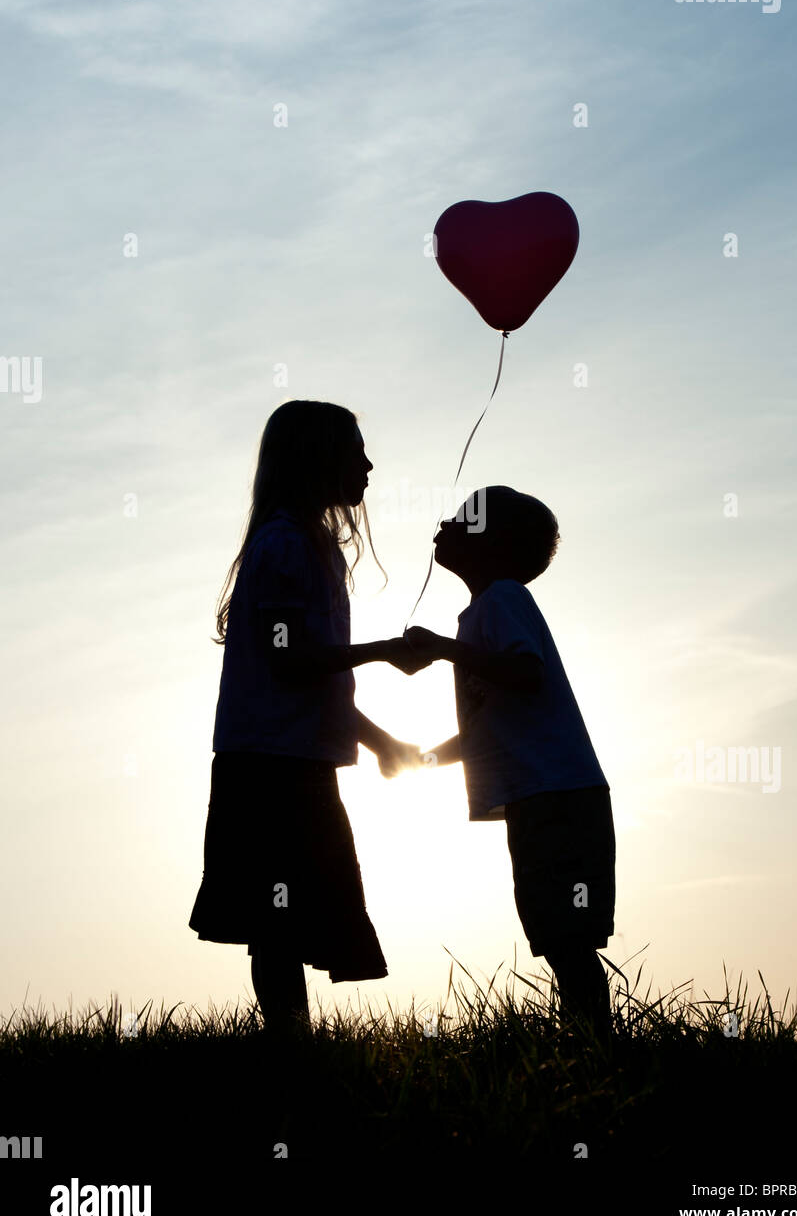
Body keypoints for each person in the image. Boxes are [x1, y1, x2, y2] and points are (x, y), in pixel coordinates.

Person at [188, 400, 431, 1033]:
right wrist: (382, 653)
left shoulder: (307, 545)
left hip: (290, 758)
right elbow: (292, 659)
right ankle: (290, 1045)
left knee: (286, 915)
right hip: (271, 764)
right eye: (355, 450)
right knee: (277, 920)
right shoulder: (286, 545)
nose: (369, 464)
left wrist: (378, 742)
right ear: (315, 459)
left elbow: (309, 682)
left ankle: (290, 1044)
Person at [406, 486, 616, 1044]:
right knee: (555, 932)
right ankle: (589, 1045)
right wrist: (419, 758)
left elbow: (525, 674)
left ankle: (596, 1048)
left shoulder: (502, 600)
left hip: (558, 796)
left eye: (462, 517)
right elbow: (489, 728)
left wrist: (443, 650)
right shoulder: (483, 611)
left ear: (492, 544)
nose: (445, 522)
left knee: (566, 935)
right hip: (542, 796)